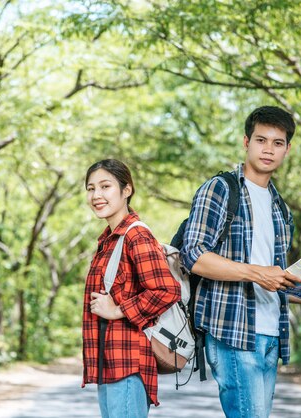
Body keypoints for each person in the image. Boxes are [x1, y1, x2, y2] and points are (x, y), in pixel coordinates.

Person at [180, 106, 301, 418]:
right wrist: (257, 274)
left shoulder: (281, 208)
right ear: (246, 142)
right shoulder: (220, 189)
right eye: (261, 140)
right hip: (233, 330)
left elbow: (276, 280)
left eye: (277, 143)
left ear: (287, 149)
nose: (269, 149)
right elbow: (194, 256)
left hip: (272, 333)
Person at [82, 159, 181, 418]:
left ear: (127, 190)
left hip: (127, 363)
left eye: (106, 186)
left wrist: (117, 310)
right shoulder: (109, 239)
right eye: (91, 188)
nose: (97, 195)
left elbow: (167, 290)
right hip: (110, 362)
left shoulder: (136, 236)